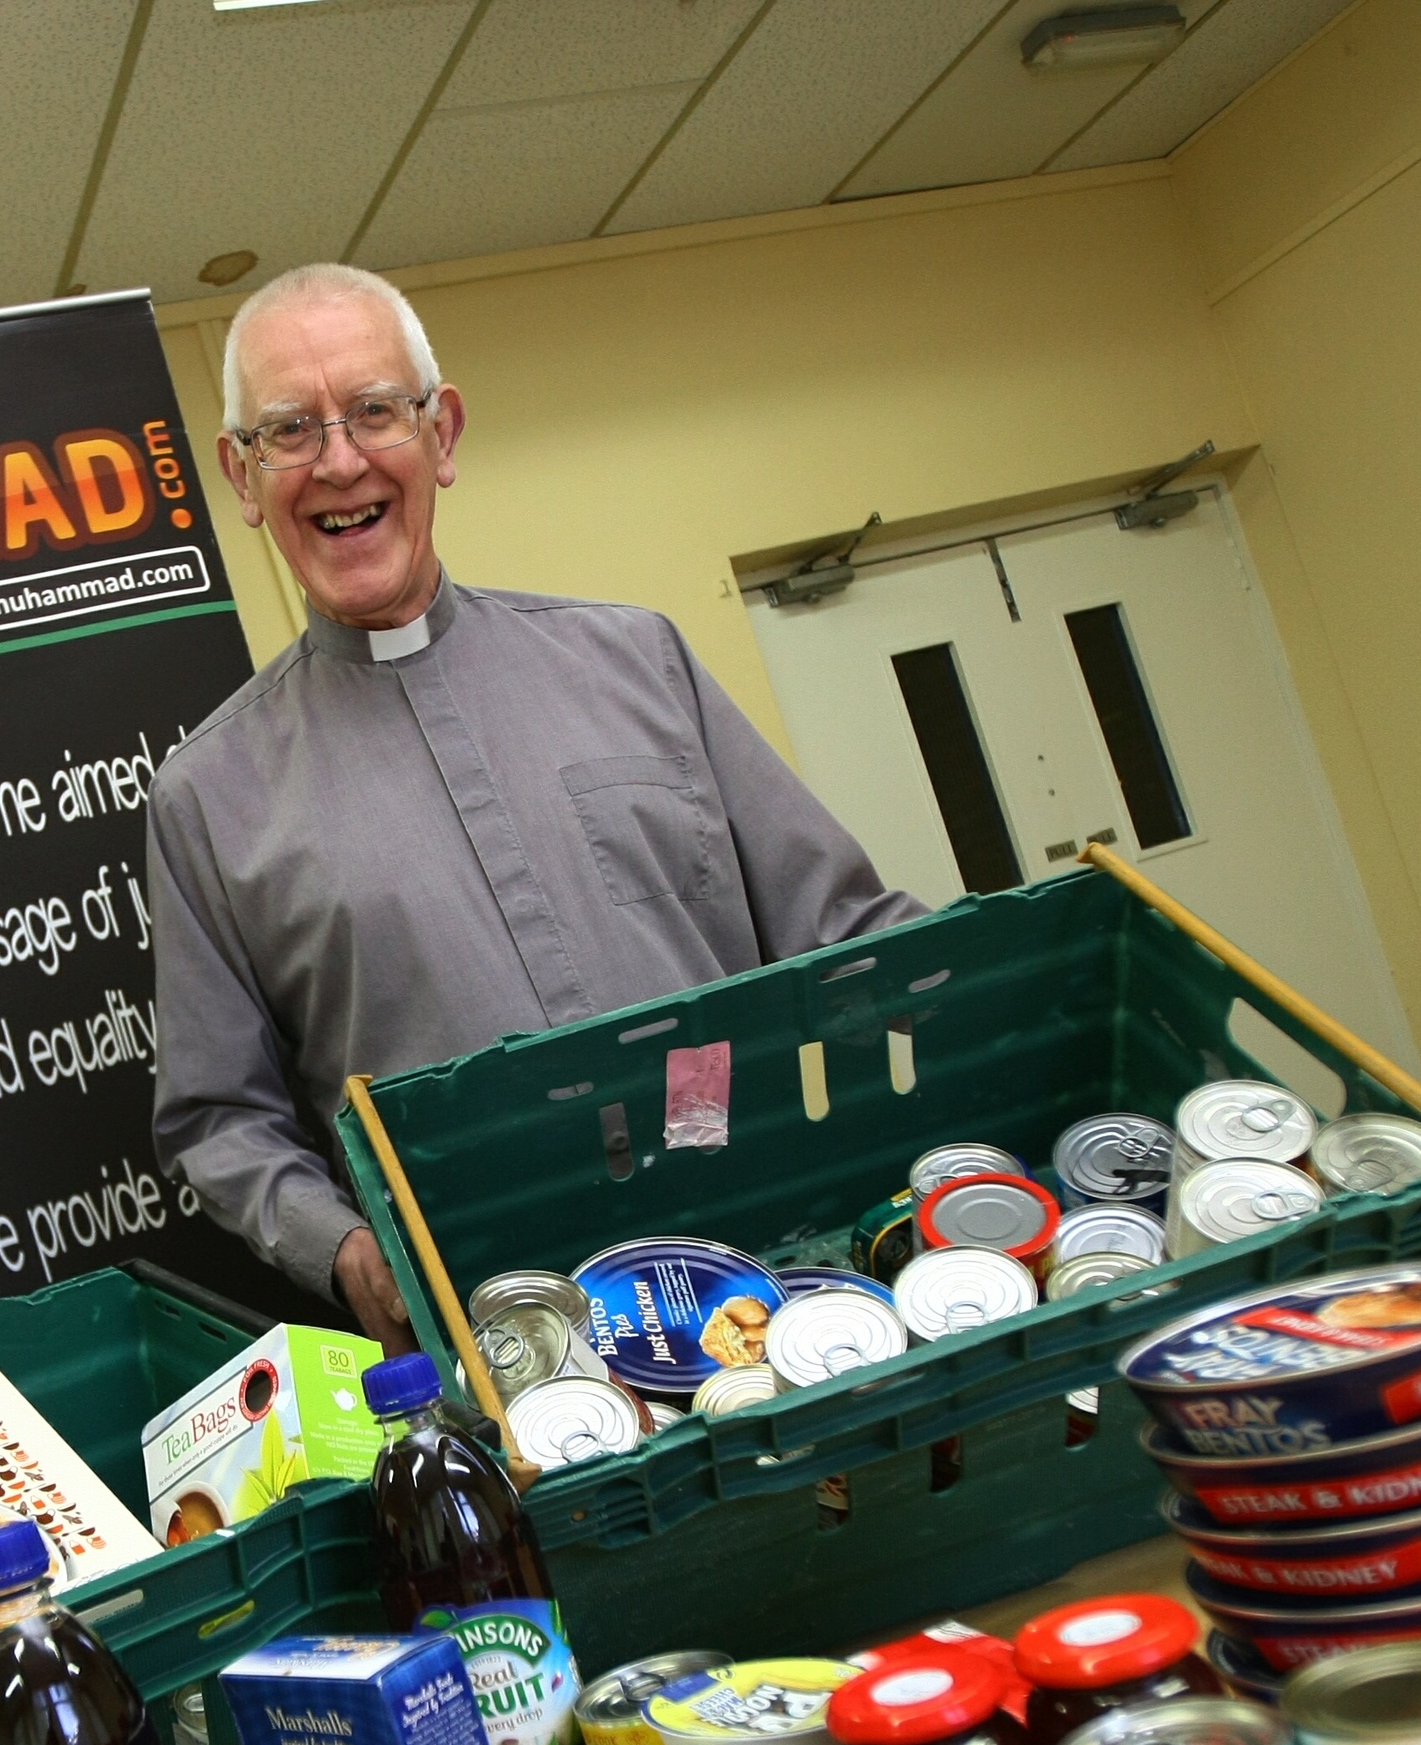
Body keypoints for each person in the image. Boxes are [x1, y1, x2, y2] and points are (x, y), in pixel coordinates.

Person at [150, 264, 922, 1343]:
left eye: (376, 411)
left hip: (774, 1263)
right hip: (502, 1324)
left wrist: (1018, 974)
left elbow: (841, 930)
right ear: (243, 475)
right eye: (289, 430)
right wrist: (342, 1249)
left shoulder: (638, 660)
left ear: (444, 434)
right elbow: (220, 1117)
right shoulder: (208, 796)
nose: (339, 460)